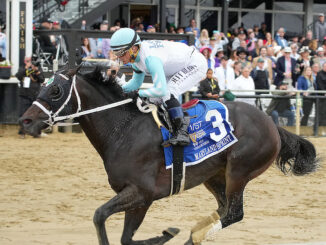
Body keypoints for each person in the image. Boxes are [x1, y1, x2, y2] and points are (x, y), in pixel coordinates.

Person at [110, 28, 207, 146]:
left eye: (122, 53)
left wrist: (139, 94)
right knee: (157, 98)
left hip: (194, 63)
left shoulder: (150, 59)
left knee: (168, 92)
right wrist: (117, 89)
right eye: (117, 54)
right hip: (174, 69)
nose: (120, 57)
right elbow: (135, 84)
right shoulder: (136, 59)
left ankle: (182, 132)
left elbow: (160, 89)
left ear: (134, 48)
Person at [15, 58, 45, 138]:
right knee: (23, 114)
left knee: (37, 114)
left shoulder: (38, 68)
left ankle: (36, 132)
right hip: (24, 95)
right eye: (27, 61)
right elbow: (18, 76)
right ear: (25, 62)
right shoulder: (22, 68)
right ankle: (22, 132)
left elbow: (42, 80)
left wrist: (37, 71)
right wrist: (26, 68)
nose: (30, 63)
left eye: (30, 61)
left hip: (35, 95)